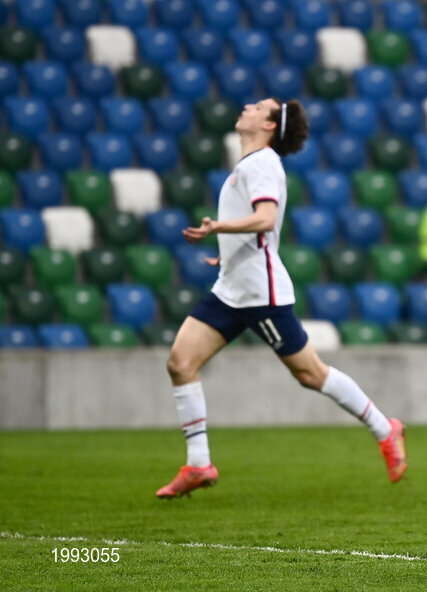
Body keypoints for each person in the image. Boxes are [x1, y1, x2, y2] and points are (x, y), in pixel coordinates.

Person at [156, 98, 407, 498]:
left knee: (310, 373)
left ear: (270, 125)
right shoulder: (251, 164)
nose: (247, 107)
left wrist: (220, 226)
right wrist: (227, 246)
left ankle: (384, 427)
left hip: (260, 292)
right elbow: (259, 228)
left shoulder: (262, 163)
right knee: (180, 363)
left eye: (258, 107)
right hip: (232, 286)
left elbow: (266, 218)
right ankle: (199, 463)